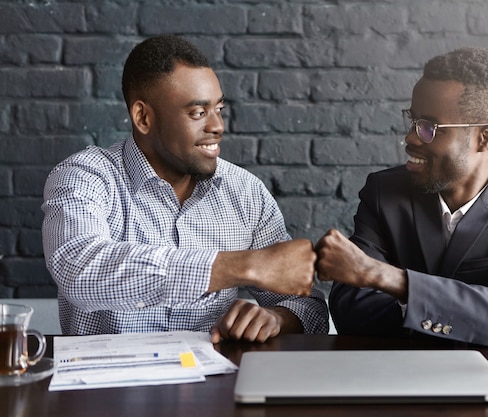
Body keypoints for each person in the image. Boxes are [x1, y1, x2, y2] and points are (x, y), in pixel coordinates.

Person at [42, 35, 328, 342]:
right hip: (105, 385)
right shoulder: (85, 175)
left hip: (212, 386)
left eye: (219, 109)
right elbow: (80, 268)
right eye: (198, 113)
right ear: (143, 117)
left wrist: (276, 318)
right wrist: (242, 265)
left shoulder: (246, 193)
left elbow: (307, 306)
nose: (217, 126)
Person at [315, 47, 488, 347]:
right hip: (392, 376)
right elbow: (351, 309)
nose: (411, 137)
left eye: (430, 127)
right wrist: (477, 321)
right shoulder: (383, 192)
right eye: (413, 121)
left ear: (486, 138)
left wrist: (382, 277)